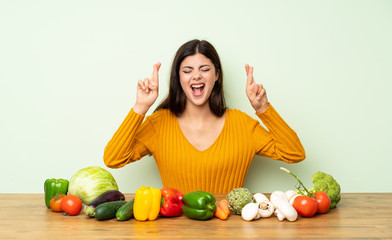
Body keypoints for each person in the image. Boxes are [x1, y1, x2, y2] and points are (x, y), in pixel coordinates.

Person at [104, 39, 305, 194]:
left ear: (216, 76)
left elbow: (294, 153)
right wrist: (141, 107)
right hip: (174, 231)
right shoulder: (159, 124)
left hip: (229, 230)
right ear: (179, 78)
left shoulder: (242, 124)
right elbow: (113, 158)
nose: (196, 76)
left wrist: (264, 110)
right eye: (187, 70)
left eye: (205, 69)